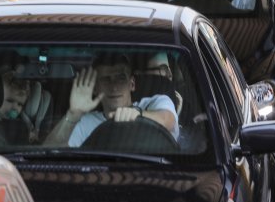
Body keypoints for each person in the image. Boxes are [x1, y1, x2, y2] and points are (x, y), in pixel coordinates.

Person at [44, 53, 178, 147]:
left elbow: (168, 120)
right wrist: (73, 114)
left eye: (120, 78)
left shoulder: (153, 103)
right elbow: (49, 150)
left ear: (132, 84)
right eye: (106, 79)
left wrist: (138, 114)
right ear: (95, 88)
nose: (114, 87)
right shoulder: (85, 122)